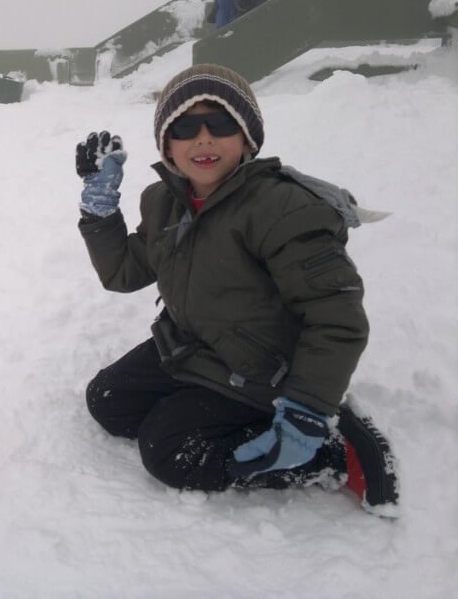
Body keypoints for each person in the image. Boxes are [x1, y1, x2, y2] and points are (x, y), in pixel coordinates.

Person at [75, 63, 399, 515]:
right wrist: (99, 211)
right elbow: (124, 273)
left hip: (262, 371)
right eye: (185, 127)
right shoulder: (163, 200)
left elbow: (336, 316)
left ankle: (331, 447)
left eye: (222, 123)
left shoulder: (280, 208)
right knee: (108, 401)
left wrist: (306, 405)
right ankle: (206, 408)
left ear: (248, 138)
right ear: (167, 143)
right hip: (195, 349)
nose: (203, 138)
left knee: (167, 451)